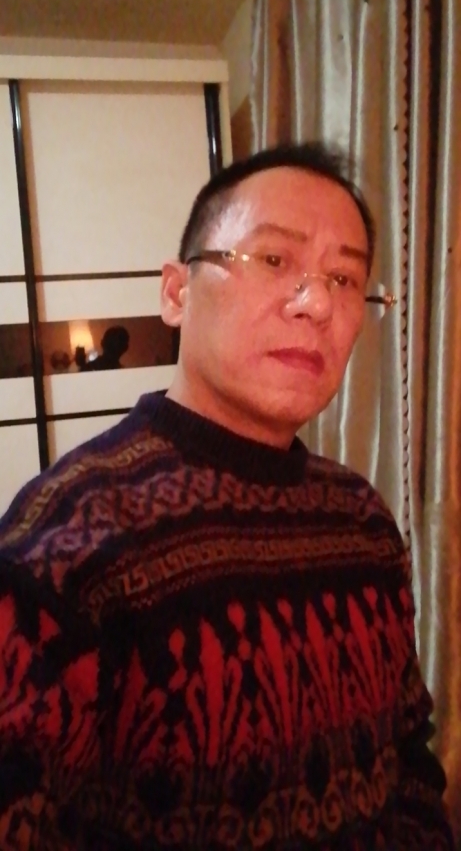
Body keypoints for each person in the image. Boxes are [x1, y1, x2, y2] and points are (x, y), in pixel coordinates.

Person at [0, 143, 454, 851]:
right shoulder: (70, 535)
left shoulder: (361, 516)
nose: (316, 304)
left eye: (343, 279)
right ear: (176, 293)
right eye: (273, 259)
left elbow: (407, 757)